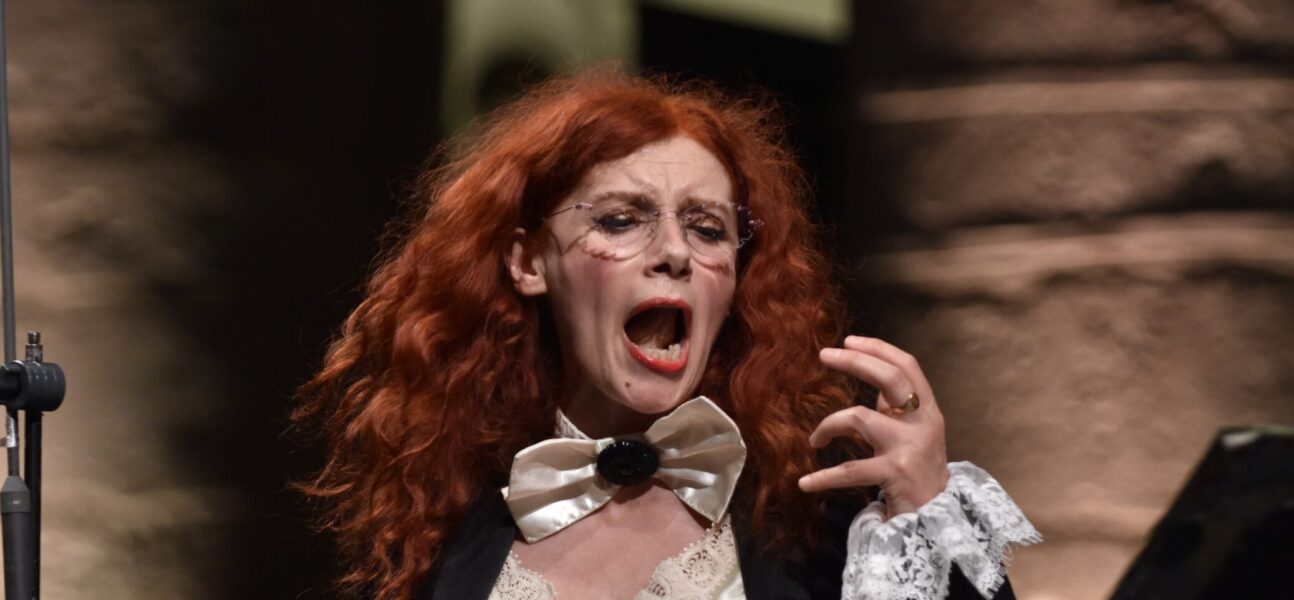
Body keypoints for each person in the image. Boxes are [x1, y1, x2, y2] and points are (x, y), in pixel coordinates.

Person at [294, 68, 1039, 600]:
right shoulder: (446, 532)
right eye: (621, 220)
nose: (675, 252)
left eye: (707, 228)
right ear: (528, 263)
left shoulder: (821, 523)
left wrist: (926, 510)